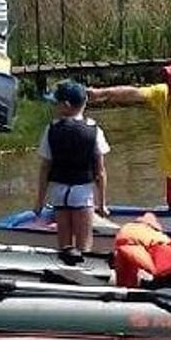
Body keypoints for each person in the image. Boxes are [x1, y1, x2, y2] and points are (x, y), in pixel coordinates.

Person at [86, 58, 171, 211]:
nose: (169, 82)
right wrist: (100, 93)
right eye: (170, 78)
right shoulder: (162, 94)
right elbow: (133, 93)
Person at [35, 79, 110, 255]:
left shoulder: (51, 129)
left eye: (56, 103)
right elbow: (100, 172)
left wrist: (39, 202)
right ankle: (82, 270)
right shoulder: (94, 130)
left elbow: (45, 168)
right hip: (82, 193)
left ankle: (65, 269)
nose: (54, 107)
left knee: (65, 245)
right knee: (84, 245)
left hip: (59, 193)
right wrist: (102, 203)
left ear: (66, 105)